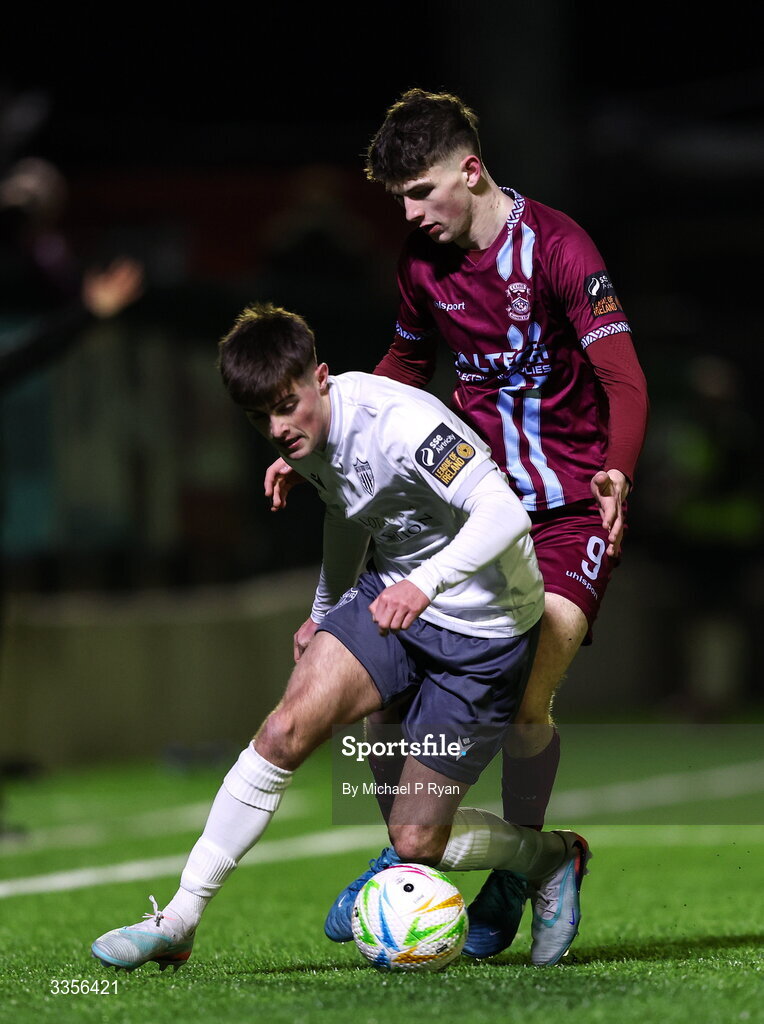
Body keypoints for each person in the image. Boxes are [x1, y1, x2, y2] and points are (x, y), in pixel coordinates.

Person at [90, 302, 590, 973]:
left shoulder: (400, 423)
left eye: (286, 405)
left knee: (416, 839)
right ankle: (179, 917)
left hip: (484, 628)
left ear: (320, 377)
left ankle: (551, 858)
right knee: (283, 731)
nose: (277, 428)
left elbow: (502, 512)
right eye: (260, 418)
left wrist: (429, 583)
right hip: (391, 597)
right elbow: (350, 511)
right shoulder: (304, 439)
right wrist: (327, 609)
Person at [265, 89, 649, 960]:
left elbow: (624, 377)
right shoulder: (421, 265)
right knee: (392, 692)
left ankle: (525, 870)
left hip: (563, 509)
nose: (407, 214)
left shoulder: (557, 248)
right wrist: (321, 435)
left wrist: (618, 468)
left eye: (420, 192)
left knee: (526, 692)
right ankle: (414, 847)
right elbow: (404, 365)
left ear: (469, 171)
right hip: (464, 504)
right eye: (398, 198)